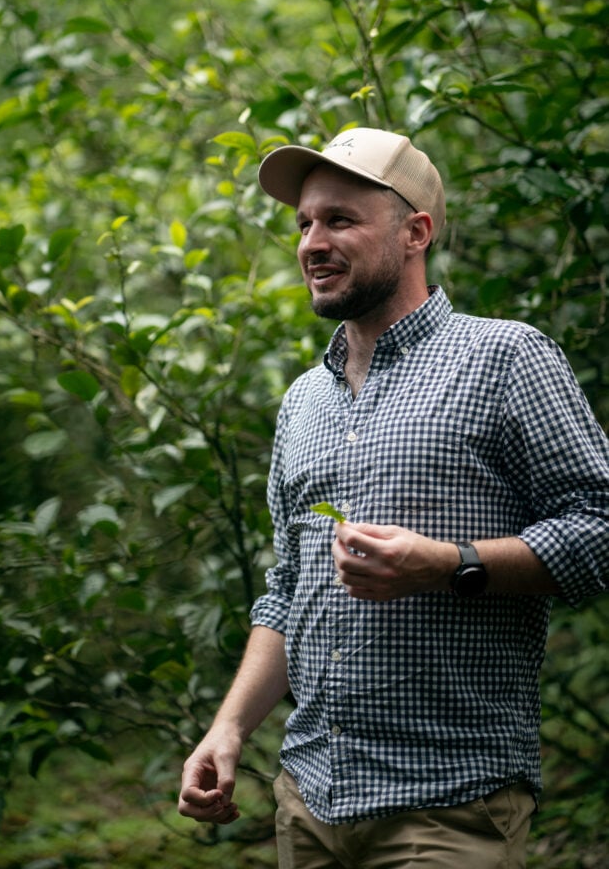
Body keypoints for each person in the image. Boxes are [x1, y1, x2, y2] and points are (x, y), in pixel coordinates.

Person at [178, 127, 609, 868]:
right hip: (309, 802)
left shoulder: (504, 357)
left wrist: (447, 563)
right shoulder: (302, 402)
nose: (312, 241)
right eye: (304, 224)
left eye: (340, 220)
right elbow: (290, 591)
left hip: (448, 804)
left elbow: (598, 529)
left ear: (415, 232)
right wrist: (229, 729)